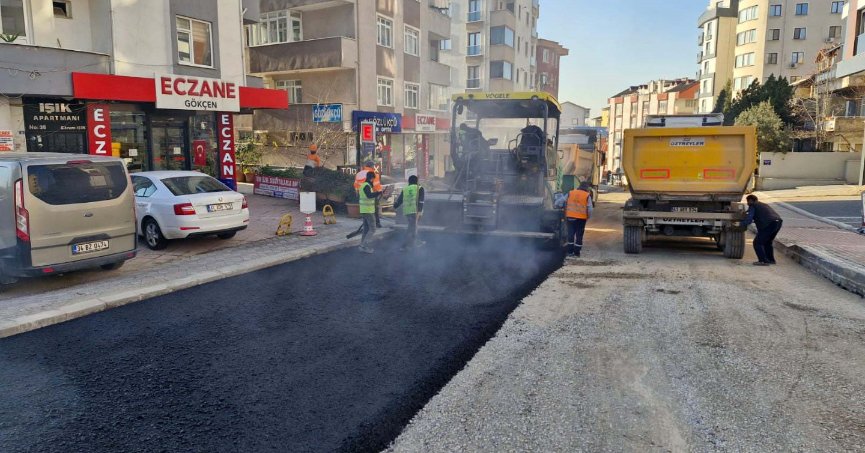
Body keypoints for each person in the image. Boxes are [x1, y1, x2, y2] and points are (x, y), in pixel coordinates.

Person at [741, 194, 783, 266]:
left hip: (769, 224)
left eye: (747, 201)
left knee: (757, 243)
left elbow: (749, 220)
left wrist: (740, 224)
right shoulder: (763, 204)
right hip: (778, 222)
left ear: (750, 200)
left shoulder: (753, 206)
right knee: (767, 242)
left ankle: (762, 261)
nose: (747, 203)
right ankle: (770, 260)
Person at [561, 180, 593, 259]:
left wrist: (556, 204)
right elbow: (590, 209)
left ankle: (569, 252)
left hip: (570, 217)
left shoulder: (571, 192)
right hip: (581, 219)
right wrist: (588, 217)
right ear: (586, 188)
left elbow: (562, 200)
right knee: (579, 235)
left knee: (570, 234)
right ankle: (577, 253)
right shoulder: (587, 195)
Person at [393, 175, 425, 250]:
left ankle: (416, 241)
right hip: (416, 211)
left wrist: (394, 206)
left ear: (409, 181)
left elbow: (399, 200)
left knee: (413, 226)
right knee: (412, 228)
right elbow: (421, 201)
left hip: (407, 211)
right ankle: (405, 245)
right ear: (417, 181)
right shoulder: (419, 188)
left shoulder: (405, 189)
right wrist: (419, 212)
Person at [354, 160, 384, 227]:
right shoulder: (373, 174)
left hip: (361, 195)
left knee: (364, 210)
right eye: (373, 166)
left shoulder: (359, 174)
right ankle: (377, 223)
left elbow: (356, 185)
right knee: (374, 209)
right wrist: (380, 193)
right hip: (371, 195)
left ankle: (366, 223)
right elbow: (376, 186)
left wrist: (357, 193)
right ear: (372, 166)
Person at [358, 171, 382, 254]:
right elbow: (369, 195)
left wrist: (377, 194)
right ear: (371, 178)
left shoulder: (363, 186)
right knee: (373, 229)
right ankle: (364, 246)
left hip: (365, 210)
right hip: (368, 211)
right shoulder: (367, 186)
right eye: (373, 179)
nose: (373, 181)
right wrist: (378, 193)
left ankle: (362, 245)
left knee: (366, 229)